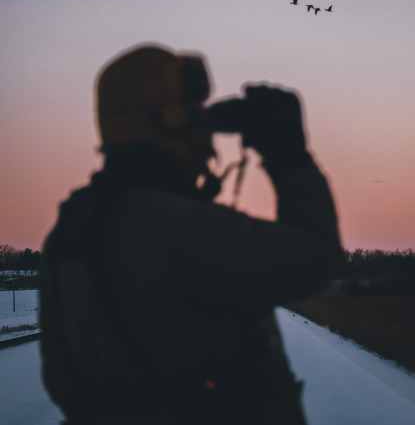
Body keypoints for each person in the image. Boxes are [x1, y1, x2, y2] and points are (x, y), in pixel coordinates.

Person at [40, 44, 342, 425]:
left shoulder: (69, 231)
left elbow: (61, 381)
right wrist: (289, 155)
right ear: (172, 120)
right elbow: (314, 259)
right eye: (196, 113)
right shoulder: (180, 227)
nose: (206, 129)